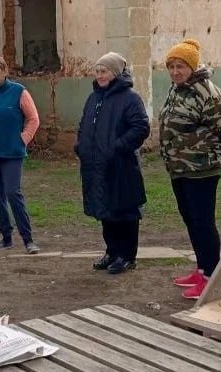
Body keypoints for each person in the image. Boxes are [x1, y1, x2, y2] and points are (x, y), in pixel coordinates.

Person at [159, 39, 221, 299]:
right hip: (180, 168)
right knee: (191, 221)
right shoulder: (178, 89)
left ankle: (210, 279)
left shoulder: (206, 92)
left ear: (192, 67)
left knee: (203, 222)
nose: (175, 72)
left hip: (202, 169)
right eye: (171, 66)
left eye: (180, 66)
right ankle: (202, 269)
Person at [75, 52, 150, 274]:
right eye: (97, 71)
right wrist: (81, 146)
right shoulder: (94, 98)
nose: (99, 75)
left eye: (104, 71)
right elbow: (84, 125)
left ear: (115, 73)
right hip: (96, 165)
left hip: (121, 165)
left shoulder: (130, 98)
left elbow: (140, 127)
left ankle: (126, 256)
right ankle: (112, 251)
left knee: (124, 211)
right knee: (105, 210)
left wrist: (117, 146)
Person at [0, 56, 41, 253]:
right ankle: (6, 236)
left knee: (13, 192)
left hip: (12, 152)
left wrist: (23, 139)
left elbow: (33, 119)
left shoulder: (19, 92)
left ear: (5, 72)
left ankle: (28, 239)